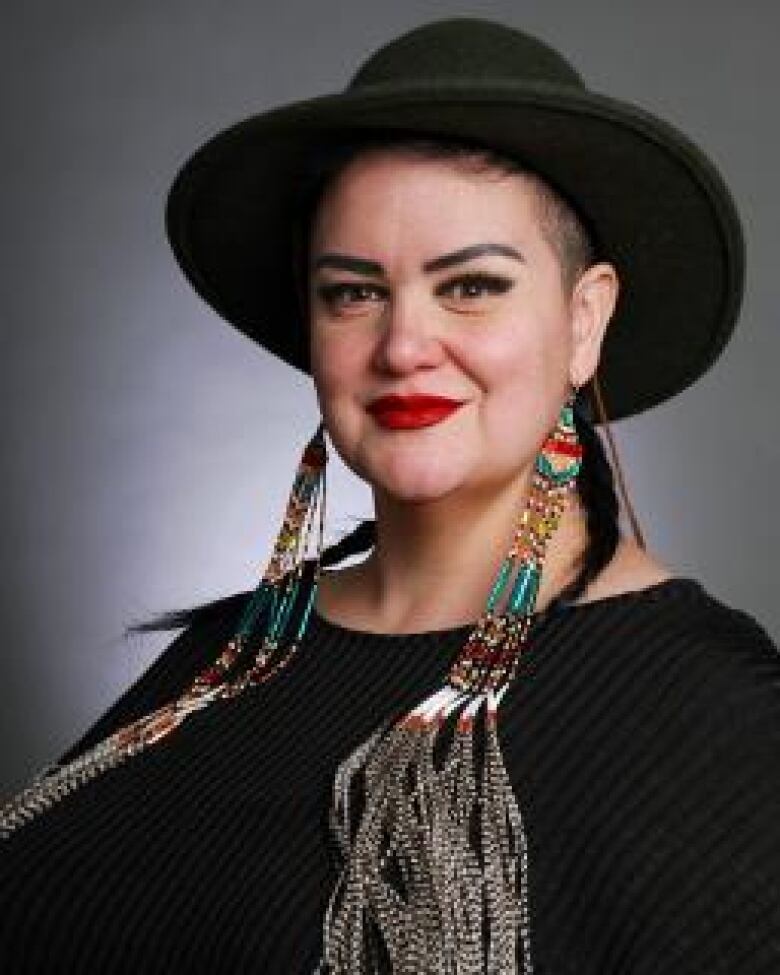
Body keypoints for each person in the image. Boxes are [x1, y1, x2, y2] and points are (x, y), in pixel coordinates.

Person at [2, 15, 778, 974]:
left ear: (585, 322)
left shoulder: (714, 716)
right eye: (354, 292)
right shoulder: (230, 658)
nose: (404, 345)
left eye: (473, 287)